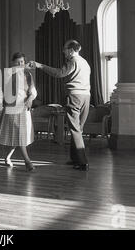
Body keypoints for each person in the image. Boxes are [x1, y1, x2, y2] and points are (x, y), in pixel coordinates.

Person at [28, 40, 91, 171]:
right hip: (86, 96)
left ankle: (83, 162)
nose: (63, 52)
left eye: (65, 49)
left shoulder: (72, 61)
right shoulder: (85, 62)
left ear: (71, 50)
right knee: (79, 128)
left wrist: (40, 66)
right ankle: (75, 158)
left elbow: (59, 73)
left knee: (75, 129)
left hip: (75, 96)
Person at [0, 52, 37, 172]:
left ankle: (7, 157)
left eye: (22, 62)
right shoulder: (9, 73)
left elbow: (33, 91)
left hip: (24, 108)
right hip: (12, 108)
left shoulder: (28, 74)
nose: (20, 64)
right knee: (19, 134)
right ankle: (27, 161)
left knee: (19, 136)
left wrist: (30, 99)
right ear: (13, 63)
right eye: (18, 62)